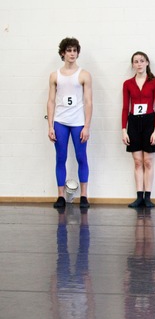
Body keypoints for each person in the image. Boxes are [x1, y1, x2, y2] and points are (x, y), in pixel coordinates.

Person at [47, 37, 92, 209]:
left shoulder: (84, 75)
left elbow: (88, 102)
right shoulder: (54, 75)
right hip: (60, 122)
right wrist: (50, 125)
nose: (72, 54)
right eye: (69, 51)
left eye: (75, 51)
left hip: (78, 122)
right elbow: (51, 101)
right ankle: (60, 196)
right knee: (61, 158)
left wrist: (86, 126)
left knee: (82, 157)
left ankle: (84, 195)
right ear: (63, 53)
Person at [122, 51, 155, 208]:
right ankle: (139, 196)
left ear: (147, 63)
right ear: (133, 64)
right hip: (133, 123)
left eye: (141, 61)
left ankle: (148, 197)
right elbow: (126, 107)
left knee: (148, 161)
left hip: (149, 122)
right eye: (136, 61)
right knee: (138, 162)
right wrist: (123, 129)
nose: (139, 64)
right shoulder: (128, 84)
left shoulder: (154, 82)